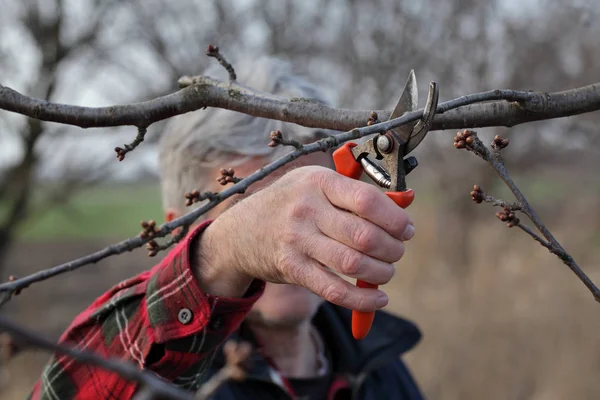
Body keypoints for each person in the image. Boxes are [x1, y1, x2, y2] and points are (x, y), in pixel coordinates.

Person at [30, 57, 424, 399]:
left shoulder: (380, 366)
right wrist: (224, 253)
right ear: (178, 230)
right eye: (253, 206)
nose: (293, 228)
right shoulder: (166, 374)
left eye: (315, 199)